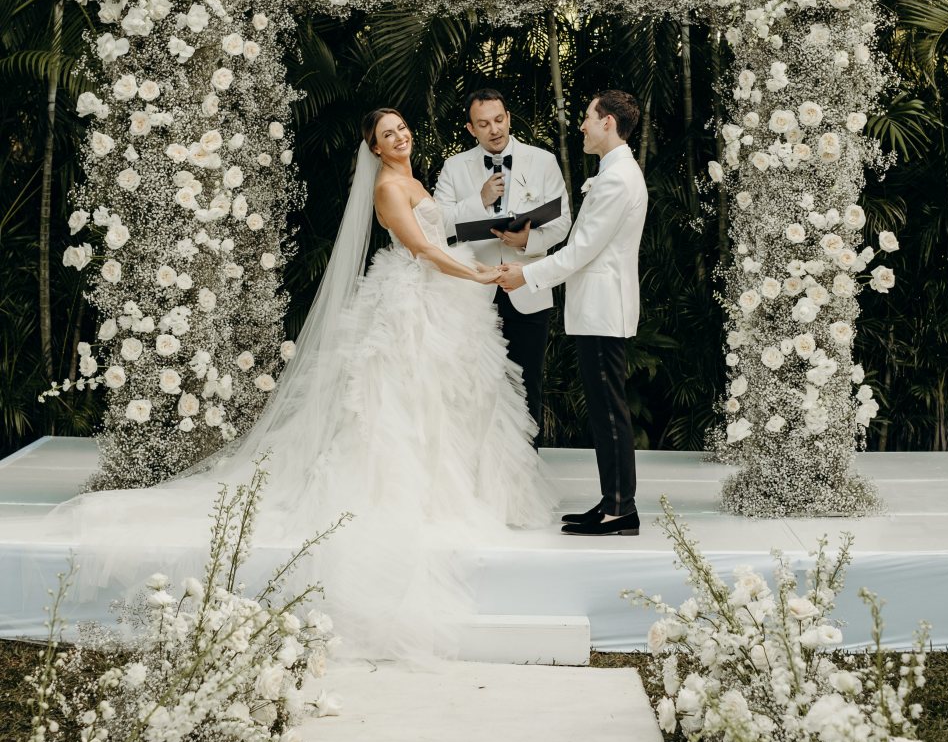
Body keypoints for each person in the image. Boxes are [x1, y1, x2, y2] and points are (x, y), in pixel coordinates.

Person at [42, 108, 555, 663]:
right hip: (413, 298)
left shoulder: (412, 176)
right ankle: (408, 494)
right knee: (394, 400)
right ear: (376, 149)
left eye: (402, 129)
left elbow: (441, 232)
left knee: (439, 397)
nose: (400, 136)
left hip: (436, 298)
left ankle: (450, 486)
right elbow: (423, 250)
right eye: (388, 134)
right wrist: (477, 273)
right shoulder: (388, 186)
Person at [497, 90, 647, 537]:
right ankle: (613, 502)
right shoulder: (613, 172)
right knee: (604, 409)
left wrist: (526, 275)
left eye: (587, 116)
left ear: (608, 123)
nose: (581, 125)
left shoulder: (618, 178)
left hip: (603, 310)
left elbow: (582, 251)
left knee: (609, 410)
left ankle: (621, 510)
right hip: (596, 308)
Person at [434, 89, 570, 440]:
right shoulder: (454, 167)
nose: (494, 129)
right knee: (472, 387)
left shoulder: (543, 160)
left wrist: (526, 240)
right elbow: (436, 224)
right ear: (470, 129)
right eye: (483, 124)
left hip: (527, 287)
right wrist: (477, 201)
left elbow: (563, 220)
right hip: (472, 295)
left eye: (498, 120)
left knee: (527, 386)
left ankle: (527, 480)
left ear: (508, 118)